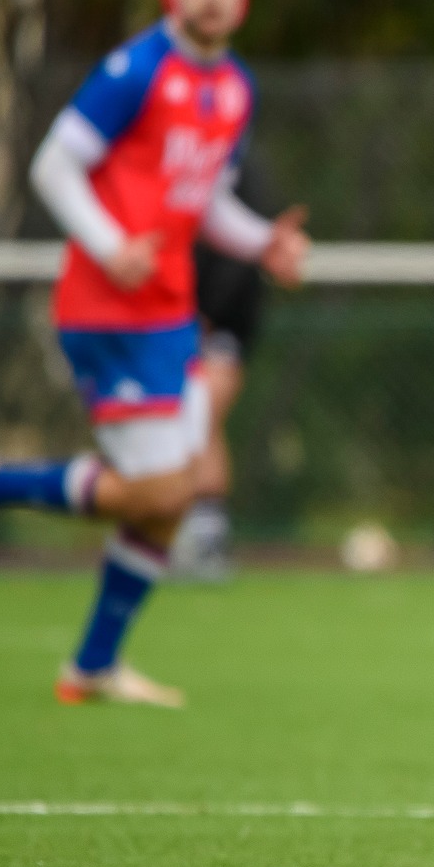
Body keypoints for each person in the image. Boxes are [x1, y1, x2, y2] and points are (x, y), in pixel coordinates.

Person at [0, 0, 309, 705]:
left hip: (168, 310)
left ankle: (92, 665)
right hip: (107, 309)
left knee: (177, 488)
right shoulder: (136, 68)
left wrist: (262, 241)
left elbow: (209, 200)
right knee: (165, 491)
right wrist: (108, 243)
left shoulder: (234, 85)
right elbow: (54, 163)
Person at [170, 156, 277, 580]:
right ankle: (180, 531)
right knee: (181, 423)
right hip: (179, 320)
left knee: (203, 417)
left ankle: (205, 539)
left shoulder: (239, 172)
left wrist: (209, 314)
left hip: (220, 323)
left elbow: (239, 254)